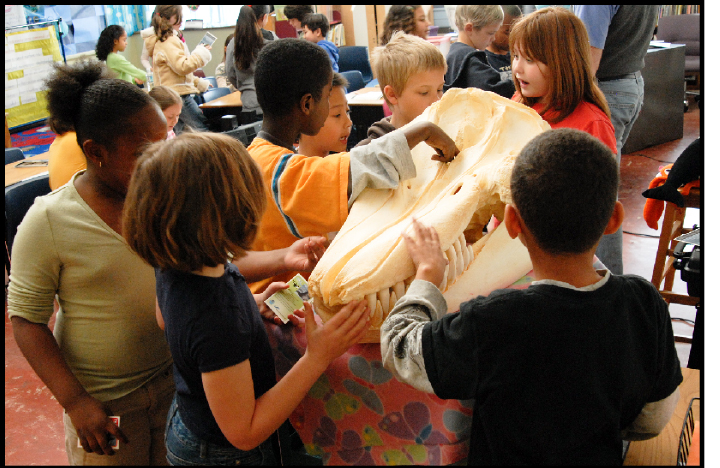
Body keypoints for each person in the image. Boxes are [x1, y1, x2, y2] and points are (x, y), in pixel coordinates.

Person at [381, 128, 683, 465]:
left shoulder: (492, 321)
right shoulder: (644, 304)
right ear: (614, 219)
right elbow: (653, 420)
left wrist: (428, 274)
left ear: (512, 222)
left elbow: (400, 348)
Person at [122, 132, 371, 465]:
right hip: (224, 454)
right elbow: (246, 431)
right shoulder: (216, 319)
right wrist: (317, 355)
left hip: (192, 421)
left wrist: (250, 304)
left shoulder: (177, 260)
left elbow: (166, 319)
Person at [8, 60, 172, 466]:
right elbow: (27, 321)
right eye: (141, 152)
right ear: (95, 153)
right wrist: (76, 401)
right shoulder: (49, 220)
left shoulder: (161, 195)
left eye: (163, 142)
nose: (158, 160)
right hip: (105, 408)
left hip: (173, 386)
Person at [247, 38, 459, 294]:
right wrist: (424, 130)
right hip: (280, 305)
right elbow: (356, 169)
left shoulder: (256, 157)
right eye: (327, 98)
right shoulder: (278, 170)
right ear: (306, 104)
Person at [573, 5, 661, 275]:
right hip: (629, 83)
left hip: (606, 88)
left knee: (595, 194)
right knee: (602, 188)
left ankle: (606, 284)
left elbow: (588, 62)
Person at [356, 31, 446, 147]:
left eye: (439, 89)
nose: (437, 101)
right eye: (424, 93)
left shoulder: (441, 136)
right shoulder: (371, 152)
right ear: (392, 95)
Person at [144, 4, 212, 134]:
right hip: (177, 95)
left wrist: (197, 82)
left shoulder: (166, 39)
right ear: (168, 18)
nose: (181, 20)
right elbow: (183, 67)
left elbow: (175, 73)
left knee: (182, 134)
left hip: (173, 94)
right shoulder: (168, 41)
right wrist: (200, 52)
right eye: (178, 16)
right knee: (201, 131)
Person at [444, 5, 515, 98]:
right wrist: (518, 84)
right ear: (469, 28)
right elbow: (492, 89)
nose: (493, 39)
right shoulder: (469, 59)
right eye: (490, 33)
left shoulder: (454, 53)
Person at [226, 5, 268, 125]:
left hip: (249, 104)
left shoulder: (233, 43)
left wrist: (244, 87)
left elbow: (230, 74)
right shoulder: (272, 39)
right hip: (273, 103)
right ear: (264, 17)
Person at [297, 72, 351, 157]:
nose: (349, 123)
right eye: (337, 115)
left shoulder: (339, 162)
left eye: (347, 111)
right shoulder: (290, 169)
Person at [484, 5, 522, 80]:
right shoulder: (482, 60)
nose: (513, 37)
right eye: (507, 32)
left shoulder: (520, 55)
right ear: (493, 28)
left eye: (517, 32)